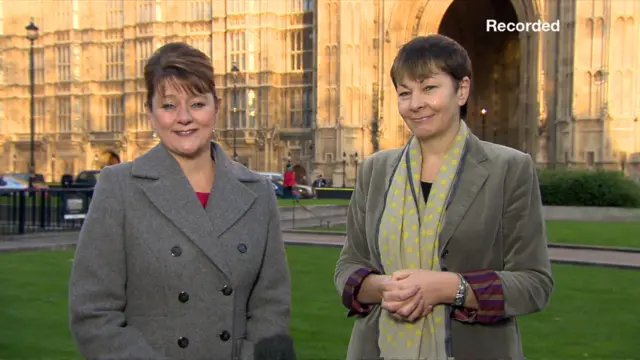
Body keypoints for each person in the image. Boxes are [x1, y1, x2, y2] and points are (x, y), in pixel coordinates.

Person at [334, 34, 554, 360]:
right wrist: (384, 289)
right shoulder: (374, 170)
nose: (416, 103)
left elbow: (534, 284)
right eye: (405, 93)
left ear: (461, 90)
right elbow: (348, 266)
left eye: (429, 88)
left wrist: (451, 288)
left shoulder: (509, 168)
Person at [68, 42, 292, 360]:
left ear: (217, 106)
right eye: (169, 106)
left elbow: (272, 307)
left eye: (197, 104)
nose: (184, 118)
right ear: (149, 112)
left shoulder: (258, 193)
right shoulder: (118, 187)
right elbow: (93, 312)